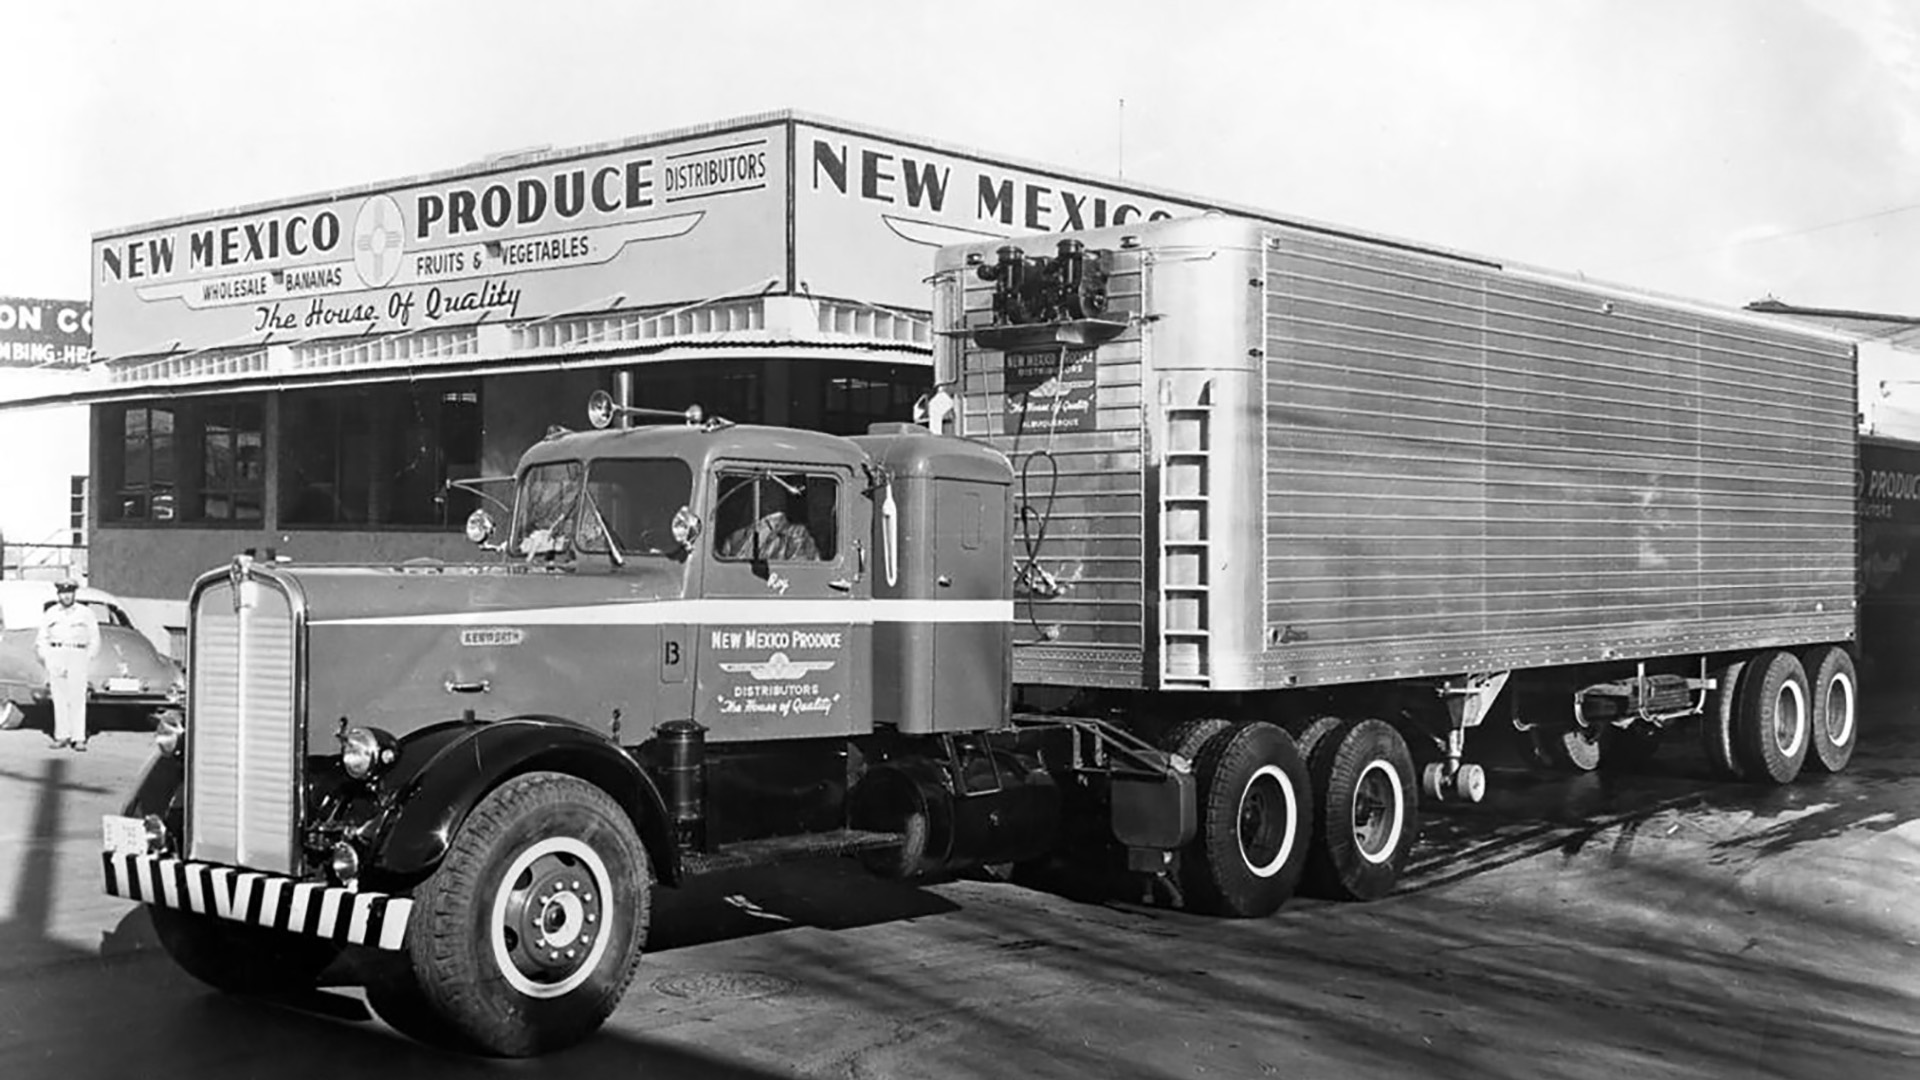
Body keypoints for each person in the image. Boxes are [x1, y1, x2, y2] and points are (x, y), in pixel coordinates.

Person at [36, 578, 98, 752]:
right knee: (59, 698)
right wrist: (47, 658)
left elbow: (94, 638)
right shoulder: (51, 613)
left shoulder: (85, 613)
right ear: (58, 594)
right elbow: (42, 638)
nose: (66, 596)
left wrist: (87, 658)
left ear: (74, 593)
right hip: (56, 654)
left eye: (69, 592)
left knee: (77, 698)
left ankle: (78, 738)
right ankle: (61, 735)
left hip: (77, 654)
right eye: (63, 593)